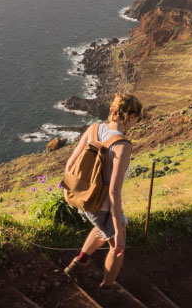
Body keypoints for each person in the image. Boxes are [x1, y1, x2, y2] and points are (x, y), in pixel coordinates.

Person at [63, 93, 143, 294]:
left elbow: (70, 164)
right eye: (137, 118)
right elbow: (114, 191)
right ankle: (108, 290)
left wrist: (79, 190)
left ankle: (78, 265)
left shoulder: (94, 129)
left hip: (83, 198)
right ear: (131, 116)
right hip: (104, 206)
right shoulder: (122, 146)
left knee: (100, 229)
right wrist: (117, 228)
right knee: (117, 248)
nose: (137, 122)